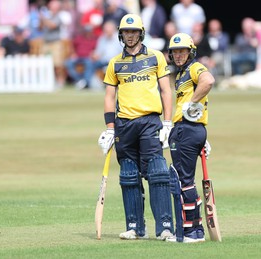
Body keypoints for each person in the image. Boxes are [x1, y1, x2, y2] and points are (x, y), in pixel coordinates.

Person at [98, 14, 174, 241]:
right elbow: (109, 96)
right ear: (121, 35)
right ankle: (135, 227)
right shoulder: (115, 63)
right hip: (124, 124)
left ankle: (165, 227)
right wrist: (110, 128)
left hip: (150, 122)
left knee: (158, 173)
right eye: (126, 32)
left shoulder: (156, 57)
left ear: (141, 33)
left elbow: (166, 91)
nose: (130, 36)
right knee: (129, 175)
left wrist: (168, 122)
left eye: (133, 32)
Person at [165, 32, 214, 243]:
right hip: (190, 129)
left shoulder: (194, 68)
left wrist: (192, 103)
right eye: (175, 52)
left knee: (184, 181)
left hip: (187, 129)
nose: (178, 55)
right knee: (186, 181)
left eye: (182, 51)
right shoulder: (181, 74)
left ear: (190, 52)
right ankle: (195, 229)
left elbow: (209, 81)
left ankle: (191, 232)